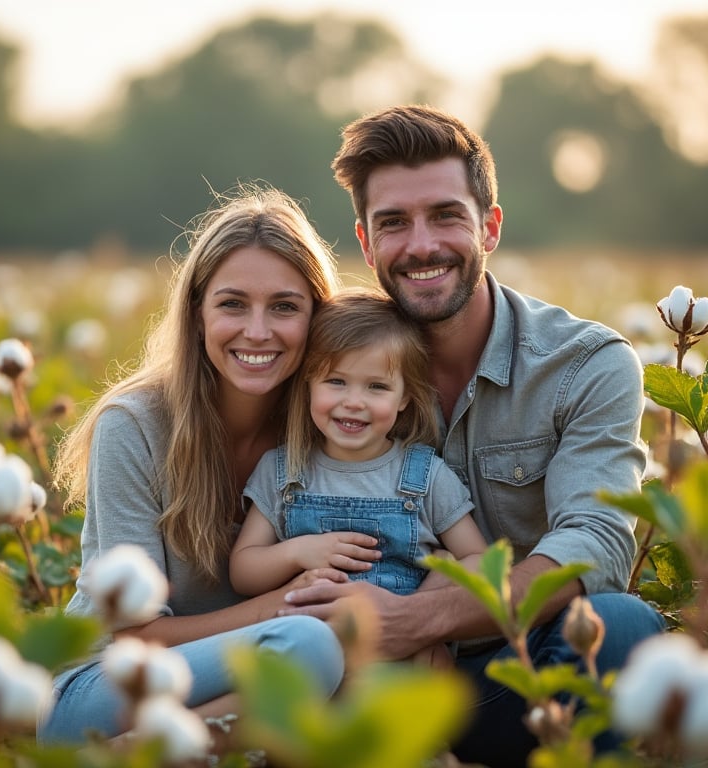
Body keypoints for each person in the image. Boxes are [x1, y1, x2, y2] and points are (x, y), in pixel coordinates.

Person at [278, 104, 666, 767]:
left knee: (624, 625)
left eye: (446, 216)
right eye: (393, 223)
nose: (421, 244)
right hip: (349, 684)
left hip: (508, 678)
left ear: (489, 226)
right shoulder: (328, 364)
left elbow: (594, 543)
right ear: (367, 244)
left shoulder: (586, 364)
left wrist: (415, 618)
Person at [39, 186, 347, 751]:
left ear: (316, 319)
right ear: (197, 314)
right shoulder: (133, 425)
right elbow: (138, 634)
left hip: (254, 673)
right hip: (106, 689)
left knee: (352, 662)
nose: (258, 331)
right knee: (311, 647)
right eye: (232, 304)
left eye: (285, 306)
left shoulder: (332, 431)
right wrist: (280, 606)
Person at [229, 286, 487, 667]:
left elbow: (480, 558)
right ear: (308, 384)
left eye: (377, 387)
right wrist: (298, 552)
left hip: (404, 656)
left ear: (404, 398)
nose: (354, 401)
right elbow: (243, 571)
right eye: (336, 381)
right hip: (312, 659)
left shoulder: (424, 475)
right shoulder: (284, 472)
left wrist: (421, 607)